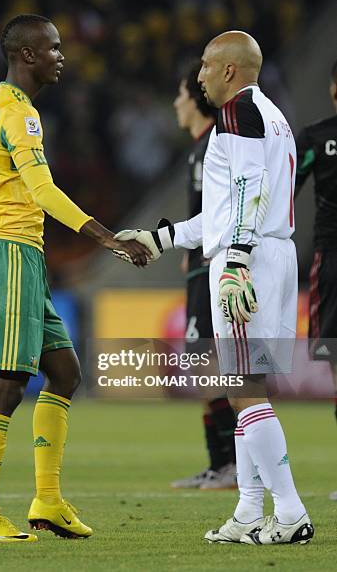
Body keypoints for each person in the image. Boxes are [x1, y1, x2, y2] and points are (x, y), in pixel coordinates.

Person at [0, 13, 150, 543]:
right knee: (7, 383)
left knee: (63, 373)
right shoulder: (20, 115)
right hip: (14, 251)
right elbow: (41, 192)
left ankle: (46, 501)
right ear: (26, 55)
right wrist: (109, 238)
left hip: (9, 254)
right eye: (54, 48)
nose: (62, 55)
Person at [115, 31, 314, 545]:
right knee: (244, 388)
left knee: (245, 388)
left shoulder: (238, 114)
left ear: (229, 70)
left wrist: (237, 263)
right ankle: (249, 511)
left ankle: (289, 512)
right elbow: (220, 214)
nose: (198, 75)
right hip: (271, 253)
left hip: (248, 261)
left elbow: (249, 190)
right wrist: (161, 238)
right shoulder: (273, 116)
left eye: (205, 65)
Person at [170, 61, 237, 490]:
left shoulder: (216, 143)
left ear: (194, 99)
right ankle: (220, 464)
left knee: (212, 364)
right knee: (204, 366)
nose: (176, 102)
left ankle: (230, 465)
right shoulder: (197, 147)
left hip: (212, 266)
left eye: (179, 94)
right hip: (198, 263)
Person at [295, 59, 337, 501]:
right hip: (329, 259)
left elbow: (286, 194)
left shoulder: (316, 136)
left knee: (333, 361)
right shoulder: (314, 135)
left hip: (330, 262)